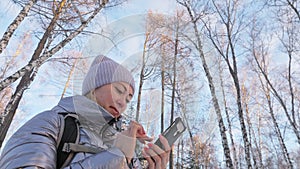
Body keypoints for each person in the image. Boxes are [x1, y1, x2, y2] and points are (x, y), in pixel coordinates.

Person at [0, 55, 171, 168]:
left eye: (128, 98)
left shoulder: (124, 144)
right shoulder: (50, 123)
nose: (122, 102)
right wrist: (117, 157)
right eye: (119, 90)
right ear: (94, 87)